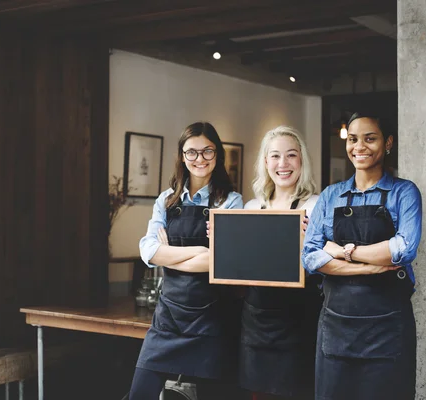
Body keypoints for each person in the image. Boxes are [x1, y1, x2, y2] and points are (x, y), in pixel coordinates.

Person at [302, 111, 422, 400]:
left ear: (388, 142)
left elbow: (403, 249)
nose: (359, 147)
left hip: (388, 328)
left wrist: (343, 252)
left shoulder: (404, 193)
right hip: (336, 326)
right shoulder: (331, 195)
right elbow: (310, 257)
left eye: (370, 139)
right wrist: (370, 266)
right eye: (353, 139)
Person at [130, 122, 243, 400]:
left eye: (207, 151)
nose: (200, 159)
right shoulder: (166, 200)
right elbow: (149, 251)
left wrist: (170, 258)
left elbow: (225, 260)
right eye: (191, 152)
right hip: (168, 316)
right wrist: (200, 253)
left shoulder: (230, 201)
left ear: (217, 155)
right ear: (182, 156)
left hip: (212, 319)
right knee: (139, 394)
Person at [239, 126, 322, 399]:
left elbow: (323, 264)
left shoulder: (316, 205)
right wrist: (222, 240)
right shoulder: (250, 208)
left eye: (291, 155)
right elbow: (241, 266)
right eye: (275, 156)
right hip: (256, 322)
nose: (283, 164)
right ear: (265, 162)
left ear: (302, 161)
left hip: (299, 321)